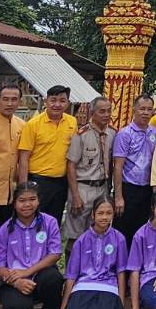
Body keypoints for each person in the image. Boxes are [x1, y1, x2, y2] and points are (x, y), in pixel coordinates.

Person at [49, 196, 128, 309]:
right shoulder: (81, 240)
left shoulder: (119, 238)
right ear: (93, 215)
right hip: (84, 285)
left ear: (113, 214)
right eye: (100, 213)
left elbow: (121, 272)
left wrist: (120, 305)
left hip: (108, 286)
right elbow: (71, 276)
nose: (104, 217)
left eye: (109, 213)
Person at [0, 183, 64, 309]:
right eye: (22, 200)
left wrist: (27, 272)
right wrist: (16, 282)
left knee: (54, 278)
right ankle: (18, 306)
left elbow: (55, 254)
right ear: (14, 203)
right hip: (14, 278)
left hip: (40, 274)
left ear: (38, 201)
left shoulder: (49, 222)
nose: (27, 204)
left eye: (32, 199)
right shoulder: (5, 229)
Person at [16, 86, 77, 224]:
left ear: (68, 103)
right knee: (33, 220)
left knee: (53, 221)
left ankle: (51, 246)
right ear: (46, 101)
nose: (57, 104)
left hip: (61, 182)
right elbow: (24, 158)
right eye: (53, 100)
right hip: (38, 181)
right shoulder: (33, 124)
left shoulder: (72, 122)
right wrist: (24, 188)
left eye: (62, 101)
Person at [63, 96, 114, 242]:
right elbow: (71, 165)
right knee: (76, 234)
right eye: (102, 111)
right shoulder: (81, 135)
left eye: (109, 111)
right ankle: (72, 263)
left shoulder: (112, 133)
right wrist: (75, 195)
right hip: (83, 187)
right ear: (92, 113)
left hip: (102, 187)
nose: (106, 115)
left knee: (99, 230)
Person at [112, 94, 156, 240]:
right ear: (134, 110)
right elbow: (118, 167)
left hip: (146, 188)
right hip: (128, 188)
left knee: (141, 231)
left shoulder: (154, 131)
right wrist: (119, 196)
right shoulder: (125, 134)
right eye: (142, 109)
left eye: (149, 109)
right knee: (123, 230)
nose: (145, 112)